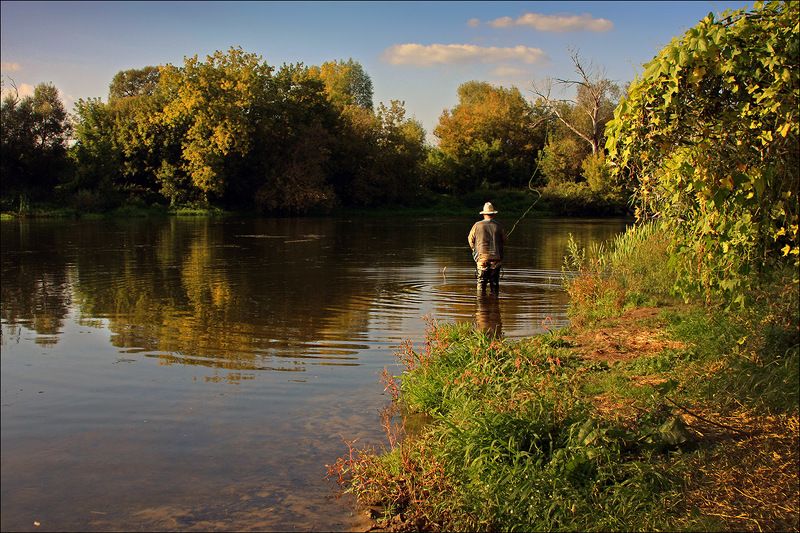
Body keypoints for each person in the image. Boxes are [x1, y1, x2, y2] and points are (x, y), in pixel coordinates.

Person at [468, 202, 506, 293]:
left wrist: (474, 250)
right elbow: (504, 240)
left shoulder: (477, 225)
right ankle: (495, 300)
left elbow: (470, 240)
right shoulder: (499, 226)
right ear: (493, 214)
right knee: (494, 284)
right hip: (496, 259)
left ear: (484, 214)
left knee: (481, 283)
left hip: (482, 259)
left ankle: (480, 300)